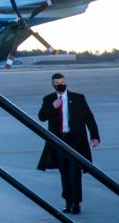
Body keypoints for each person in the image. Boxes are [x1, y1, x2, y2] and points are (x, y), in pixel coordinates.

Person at [36, 72, 100, 214]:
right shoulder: (49, 99)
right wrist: (53, 106)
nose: (61, 85)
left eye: (63, 82)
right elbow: (41, 117)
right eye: (57, 83)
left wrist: (95, 136)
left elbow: (89, 118)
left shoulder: (78, 98)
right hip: (59, 142)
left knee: (75, 172)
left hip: (75, 141)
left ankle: (76, 203)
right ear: (53, 84)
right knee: (63, 172)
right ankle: (68, 202)